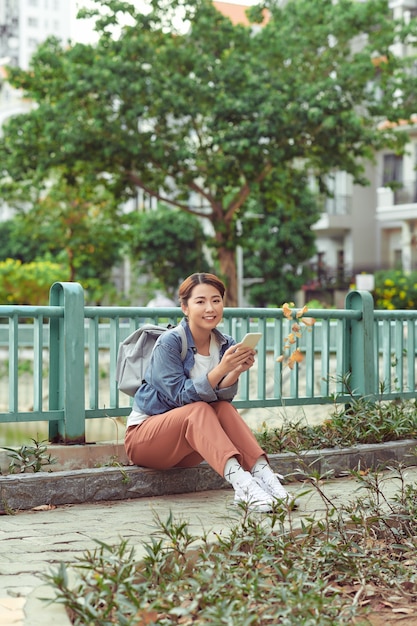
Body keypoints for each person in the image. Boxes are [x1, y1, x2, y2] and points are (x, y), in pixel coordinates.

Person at [125, 272, 293, 513]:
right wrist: (223, 367)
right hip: (146, 441)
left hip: (189, 448)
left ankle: (265, 476)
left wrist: (235, 371)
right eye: (200, 301)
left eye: (216, 300)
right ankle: (243, 485)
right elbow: (182, 397)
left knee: (222, 408)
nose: (210, 308)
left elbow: (219, 401)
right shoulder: (169, 343)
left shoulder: (224, 343)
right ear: (184, 307)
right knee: (198, 409)